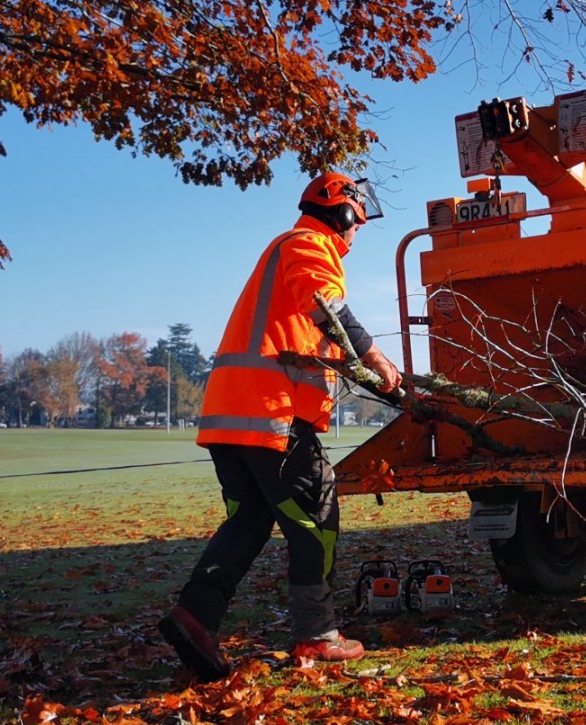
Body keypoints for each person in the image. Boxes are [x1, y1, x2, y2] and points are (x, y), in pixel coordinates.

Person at [158, 172, 403, 681]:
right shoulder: (309, 244)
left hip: (231, 418)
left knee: (247, 521)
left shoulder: (283, 250)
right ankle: (318, 635)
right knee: (317, 515)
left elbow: (311, 330)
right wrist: (376, 357)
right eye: (357, 222)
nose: (357, 235)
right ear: (345, 213)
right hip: (271, 413)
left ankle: (195, 617)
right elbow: (327, 307)